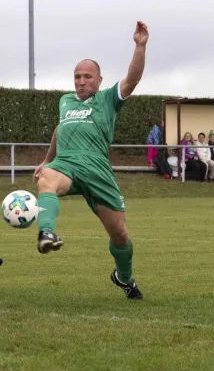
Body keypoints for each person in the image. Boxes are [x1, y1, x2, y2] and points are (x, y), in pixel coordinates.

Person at [32, 21, 149, 300]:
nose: (81, 81)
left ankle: (124, 278)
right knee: (46, 179)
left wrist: (140, 46)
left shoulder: (109, 99)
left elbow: (131, 79)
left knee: (120, 235)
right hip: (67, 164)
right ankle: (46, 233)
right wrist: (47, 160)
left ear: (98, 80)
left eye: (87, 76)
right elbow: (61, 129)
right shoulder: (65, 101)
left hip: (97, 169)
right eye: (77, 77)